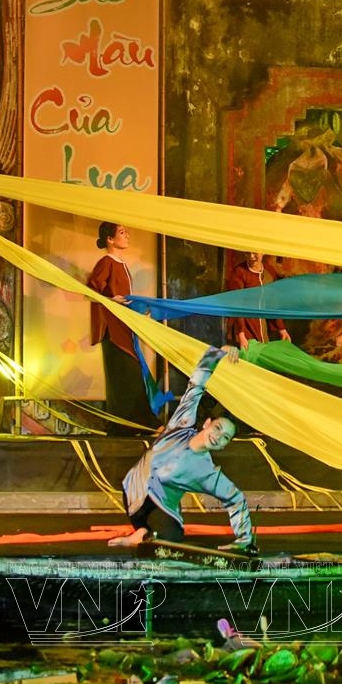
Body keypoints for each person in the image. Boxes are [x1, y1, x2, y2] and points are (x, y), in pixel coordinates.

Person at [108, 346, 256, 554]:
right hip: (133, 491)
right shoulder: (182, 424)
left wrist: (244, 539)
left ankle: (142, 533)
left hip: (159, 507)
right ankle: (144, 531)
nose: (218, 437)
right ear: (207, 424)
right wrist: (217, 353)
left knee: (172, 539)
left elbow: (236, 498)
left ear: (224, 445)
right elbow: (196, 385)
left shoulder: (206, 472)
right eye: (217, 428)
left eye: (225, 438)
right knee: (162, 534)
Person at [86, 222, 160, 431]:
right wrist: (111, 300)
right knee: (123, 374)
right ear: (110, 239)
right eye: (121, 232)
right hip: (113, 330)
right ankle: (128, 425)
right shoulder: (106, 262)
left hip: (125, 327)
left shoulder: (122, 264)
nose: (127, 235)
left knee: (130, 374)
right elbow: (91, 292)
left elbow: (124, 298)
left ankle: (136, 424)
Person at [223, 251, 292, 348]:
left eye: (255, 253)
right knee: (242, 355)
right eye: (247, 253)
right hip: (244, 327)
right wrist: (241, 335)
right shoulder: (239, 272)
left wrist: (282, 329)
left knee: (261, 350)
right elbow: (236, 304)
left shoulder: (269, 271)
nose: (251, 256)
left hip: (262, 327)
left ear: (263, 252)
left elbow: (272, 303)